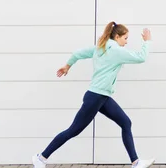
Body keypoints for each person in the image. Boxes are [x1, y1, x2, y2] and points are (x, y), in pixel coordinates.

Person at [32, 22, 155, 168]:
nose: (126, 42)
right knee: (73, 130)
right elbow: (141, 57)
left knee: (125, 123)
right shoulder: (116, 50)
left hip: (101, 97)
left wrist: (67, 66)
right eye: (125, 38)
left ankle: (136, 162)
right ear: (117, 37)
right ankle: (41, 158)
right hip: (96, 97)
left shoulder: (100, 47)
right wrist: (146, 41)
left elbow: (77, 53)